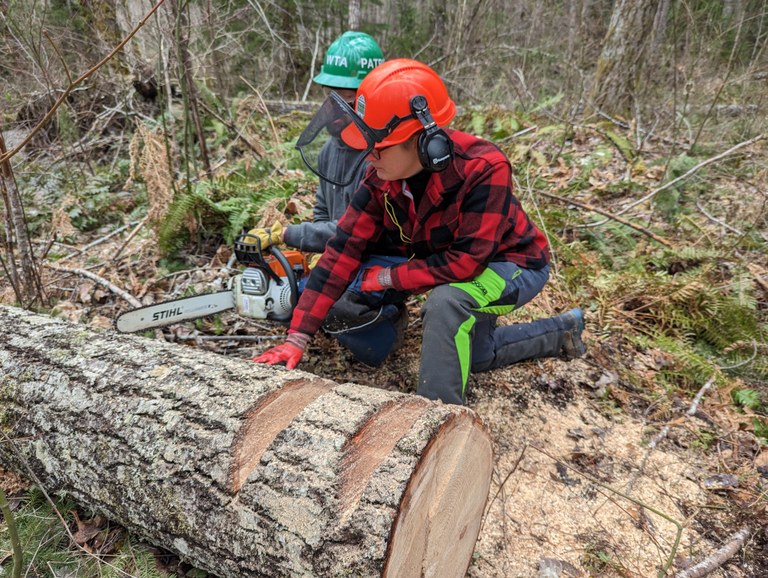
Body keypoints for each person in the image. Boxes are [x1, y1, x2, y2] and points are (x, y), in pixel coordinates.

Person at [254, 58, 585, 405]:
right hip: (457, 263)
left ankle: (434, 415)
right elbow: (342, 250)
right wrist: (298, 336)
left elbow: (465, 264)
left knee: (446, 303)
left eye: (378, 147)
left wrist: (389, 278)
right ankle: (563, 331)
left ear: (425, 142)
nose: (370, 157)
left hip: (513, 263)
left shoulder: (484, 169)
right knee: (477, 356)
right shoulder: (382, 179)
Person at [248, 31, 385, 255]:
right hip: (342, 254)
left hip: (376, 261)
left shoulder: (380, 159)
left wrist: (288, 234)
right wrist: (322, 253)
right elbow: (323, 212)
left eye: (345, 101)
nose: (334, 110)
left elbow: (361, 231)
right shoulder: (327, 151)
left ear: (366, 100)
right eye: (331, 97)